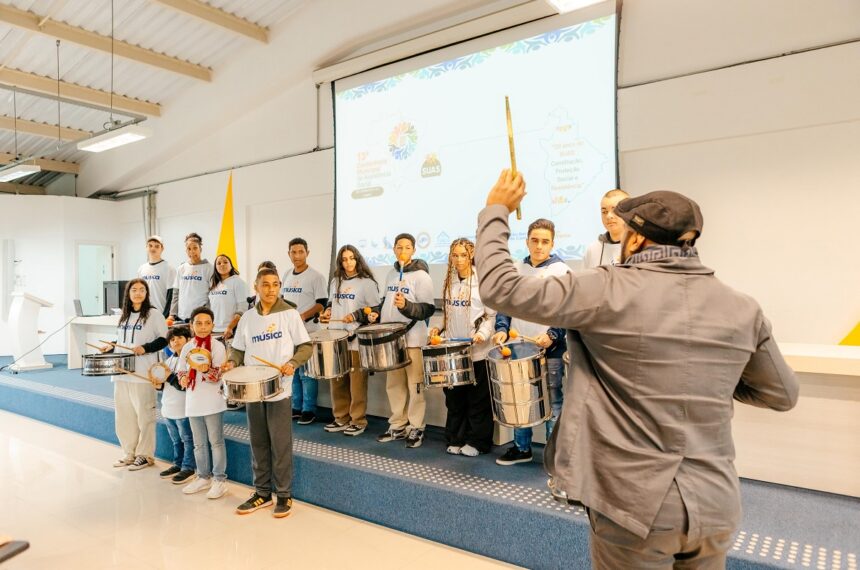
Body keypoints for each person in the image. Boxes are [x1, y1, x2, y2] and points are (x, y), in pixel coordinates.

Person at [475, 170, 799, 569]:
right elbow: (781, 393)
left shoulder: (604, 288)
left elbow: (500, 288)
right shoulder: (742, 307)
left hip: (635, 505)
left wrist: (497, 210)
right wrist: (705, 374)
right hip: (716, 503)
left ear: (639, 239)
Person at [225, 268, 313, 518]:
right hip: (253, 389)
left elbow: (305, 346)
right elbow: (238, 350)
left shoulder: (289, 314)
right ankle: (262, 492)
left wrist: (293, 363)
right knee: (258, 442)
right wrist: (232, 362)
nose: (271, 289)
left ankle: (284, 494)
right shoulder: (248, 318)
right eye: (266, 284)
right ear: (256, 287)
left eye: (275, 284)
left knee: (280, 444)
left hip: (279, 389)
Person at [492, 218, 569, 466]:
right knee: (520, 398)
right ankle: (521, 448)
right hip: (519, 348)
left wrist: (553, 335)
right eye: (534, 240)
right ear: (526, 242)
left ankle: (553, 454)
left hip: (550, 349)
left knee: (552, 401)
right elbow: (505, 306)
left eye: (544, 242)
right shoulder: (515, 269)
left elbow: (567, 310)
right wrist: (502, 329)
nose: (538, 246)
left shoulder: (562, 271)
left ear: (552, 244)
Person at [360, 233, 435, 449]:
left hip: (413, 339)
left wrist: (407, 306)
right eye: (399, 247)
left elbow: (427, 308)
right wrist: (376, 314)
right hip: (392, 340)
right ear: (394, 249)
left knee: (415, 385)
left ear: (413, 250)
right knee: (394, 385)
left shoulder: (422, 277)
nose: (403, 251)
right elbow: (386, 302)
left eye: (407, 247)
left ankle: (416, 427)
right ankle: (398, 424)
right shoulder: (391, 274)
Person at [428, 238, 496, 456]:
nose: (458, 260)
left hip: (477, 351)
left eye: (463, 255)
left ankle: (477, 442)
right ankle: (456, 438)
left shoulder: (482, 282)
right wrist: (436, 329)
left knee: (477, 401)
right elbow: (447, 315)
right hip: (453, 352)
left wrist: (481, 335)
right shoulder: (449, 280)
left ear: (471, 255)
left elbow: (491, 316)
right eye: (454, 255)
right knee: (455, 399)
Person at [105, 279, 168, 471]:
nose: (138, 293)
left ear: (147, 293)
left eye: (142, 290)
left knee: (144, 415)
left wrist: (145, 348)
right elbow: (124, 339)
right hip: (121, 372)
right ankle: (129, 452)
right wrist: (112, 344)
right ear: (128, 293)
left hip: (142, 373)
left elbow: (164, 339)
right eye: (134, 290)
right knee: (124, 416)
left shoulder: (154, 314)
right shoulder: (124, 316)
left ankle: (145, 455)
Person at [319, 245, 380, 436]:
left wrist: (355, 315)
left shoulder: (367, 283)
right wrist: (328, 311)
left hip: (355, 339)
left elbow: (375, 310)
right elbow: (331, 302)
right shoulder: (335, 281)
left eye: (351, 258)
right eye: (344, 259)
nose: (348, 262)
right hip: (336, 338)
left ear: (358, 259)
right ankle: (341, 418)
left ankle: (358, 420)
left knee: (356, 382)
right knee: (337, 381)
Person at [177, 307, 229, 500]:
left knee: (216, 442)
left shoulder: (217, 347)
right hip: (193, 400)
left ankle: (220, 480)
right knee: (199, 443)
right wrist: (183, 378)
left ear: (213, 325)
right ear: (191, 325)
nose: (203, 327)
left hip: (213, 400)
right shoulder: (187, 347)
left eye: (207, 323)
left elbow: (218, 375)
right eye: (198, 323)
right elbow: (181, 370)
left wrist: (204, 369)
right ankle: (202, 476)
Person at [280, 238, 328, 425]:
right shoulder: (286, 275)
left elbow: (322, 304)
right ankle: (296, 407)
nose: (297, 255)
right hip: (288, 332)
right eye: (293, 252)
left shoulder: (316, 277)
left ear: (307, 253)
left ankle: (309, 409)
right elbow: (282, 300)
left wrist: (303, 316)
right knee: (292, 370)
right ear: (289, 254)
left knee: (307, 374)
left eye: (301, 252)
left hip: (308, 331)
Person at [157, 326, 196, 484]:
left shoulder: (190, 360)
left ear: (188, 340)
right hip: (168, 407)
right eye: (172, 339)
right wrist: (156, 381)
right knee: (176, 440)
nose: (176, 341)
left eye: (180, 337)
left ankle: (188, 467)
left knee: (187, 440)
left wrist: (169, 376)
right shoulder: (168, 360)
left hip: (183, 408)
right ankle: (178, 464)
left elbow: (183, 386)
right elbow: (162, 384)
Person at [170, 232, 214, 323]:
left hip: (200, 317)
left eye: (195, 248)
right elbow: (175, 294)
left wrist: (207, 313)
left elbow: (213, 294)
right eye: (189, 248)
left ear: (200, 249)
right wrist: (172, 314)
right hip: (181, 317)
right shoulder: (181, 268)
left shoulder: (209, 268)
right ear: (186, 250)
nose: (192, 251)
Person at [582, 189, 630, 269]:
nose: (609, 216)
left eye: (614, 210)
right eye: (604, 212)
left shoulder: (639, 247)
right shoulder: (592, 250)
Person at [209, 254, 248, 340]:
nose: (222, 264)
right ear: (215, 267)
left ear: (231, 265)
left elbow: (242, 308)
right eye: (218, 263)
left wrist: (230, 327)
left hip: (231, 331)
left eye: (225, 262)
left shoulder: (238, 282)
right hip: (214, 331)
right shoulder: (214, 285)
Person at [137, 235, 176, 318]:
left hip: (161, 314)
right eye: (150, 246)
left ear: (162, 248)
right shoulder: (141, 269)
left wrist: (165, 316)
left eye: (157, 246)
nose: (153, 248)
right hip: (145, 314)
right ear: (146, 248)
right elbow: (139, 292)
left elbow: (171, 295)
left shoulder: (169, 268)